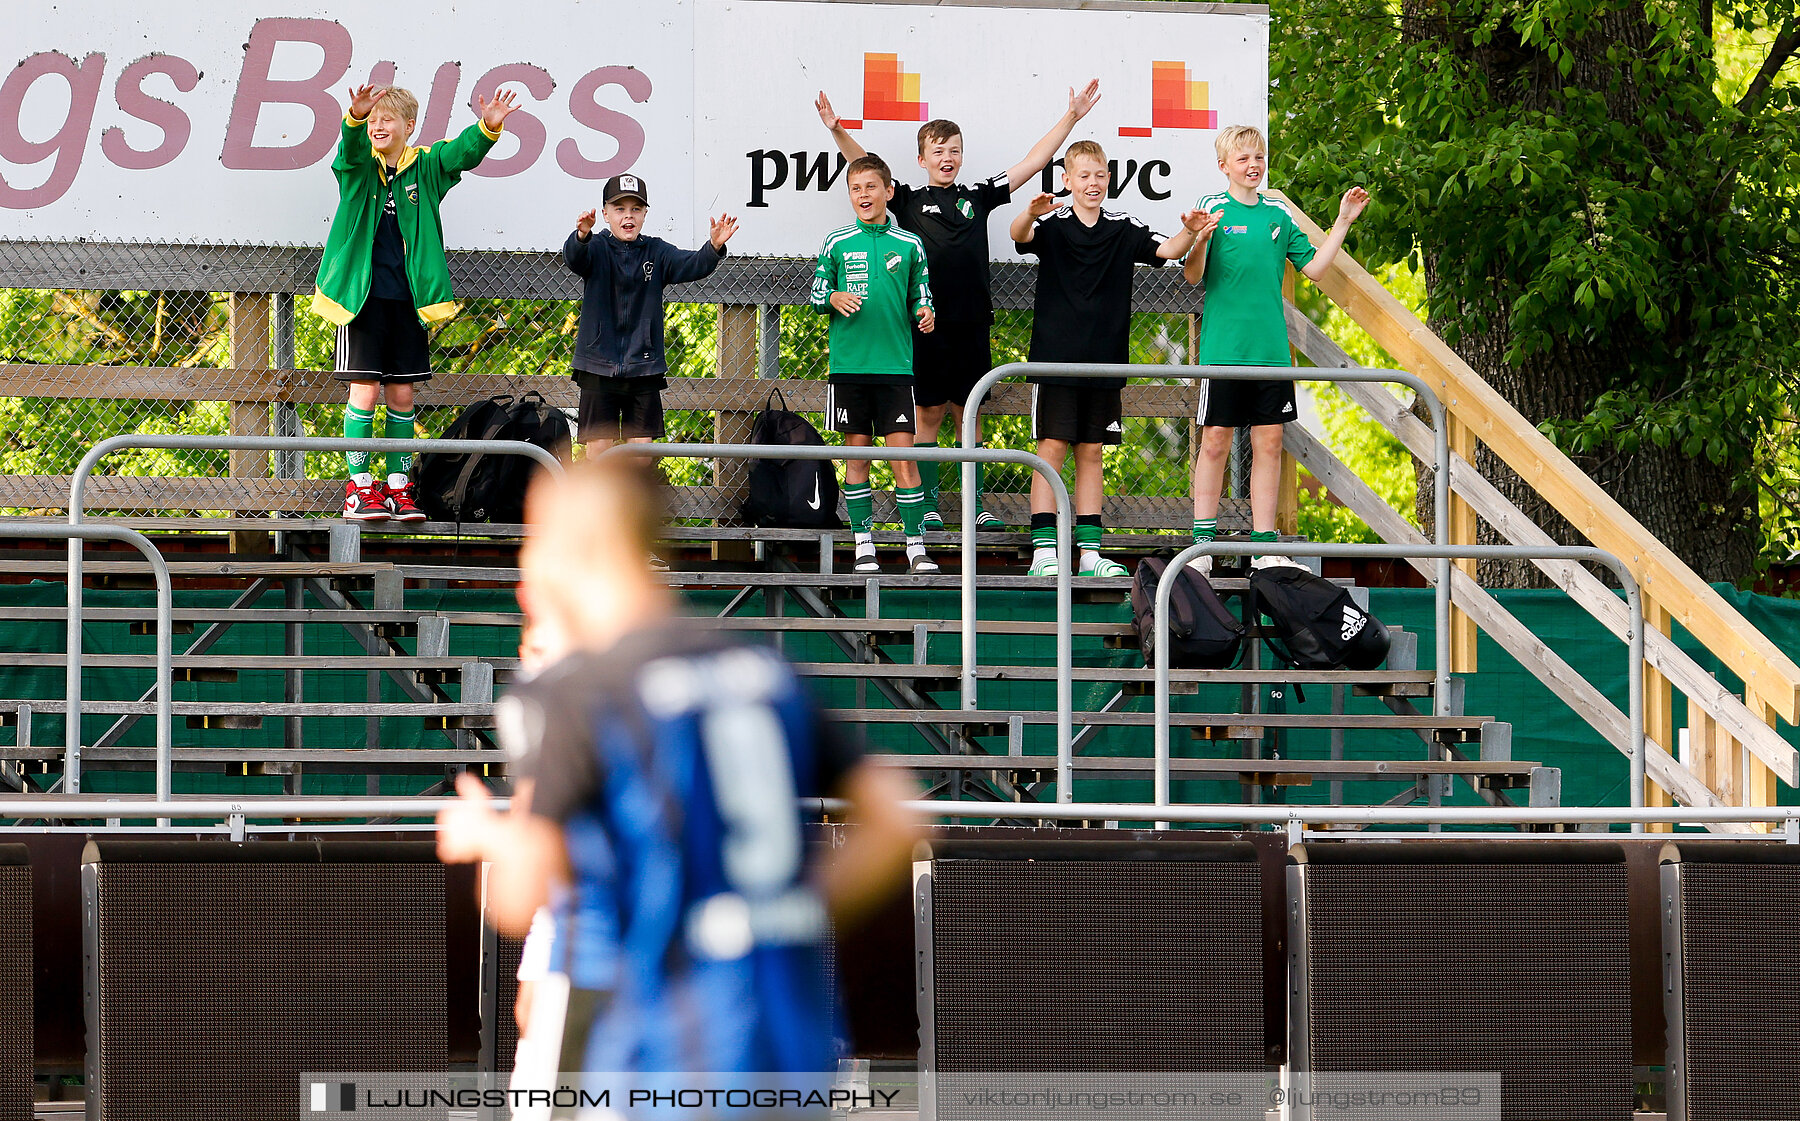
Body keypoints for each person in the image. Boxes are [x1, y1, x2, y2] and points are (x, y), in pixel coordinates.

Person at [437, 457, 916, 1088]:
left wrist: (484, 836)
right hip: (789, 1056)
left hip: (665, 1059)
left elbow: (523, 895)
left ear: (577, 545)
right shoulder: (764, 670)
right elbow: (898, 818)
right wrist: (787, 904)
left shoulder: (577, 693)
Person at [814, 81, 1102, 531]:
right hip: (925, 325)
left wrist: (1071, 118)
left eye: (954, 150)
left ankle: (975, 503)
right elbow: (864, 168)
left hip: (972, 322)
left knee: (971, 414)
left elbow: (1031, 163)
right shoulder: (906, 199)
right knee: (926, 413)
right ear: (921, 159)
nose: (947, 158)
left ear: (962, 156)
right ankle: (926, 504)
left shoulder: (979, 196)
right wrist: (836, 129)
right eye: (938, 151)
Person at [311, 82, 518, 521]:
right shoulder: (359, 168)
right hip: (360, 301)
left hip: (408, 302)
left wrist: (488, 128)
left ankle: (399, 489)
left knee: (402, 395)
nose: (379, 126)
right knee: (365, 392)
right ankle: (359, 489)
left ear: (409, 126)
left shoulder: (424, 167)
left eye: (388, 119)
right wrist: (354, 118)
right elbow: (346, 154)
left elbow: (458, 153)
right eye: (374, 119)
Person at [1009, 140, 1204, 577]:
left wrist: (1192, 230)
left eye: (1099, 175)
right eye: (1083, 176)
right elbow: (1019, 236)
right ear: (1067, 180)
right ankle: (1045, 552)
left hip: (1105, 363)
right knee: (1051, 449)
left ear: (1109, 178)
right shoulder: (1054, 223)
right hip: (1054, 362)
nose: (1092, 183)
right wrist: (1030, 212)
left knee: (1093, 451)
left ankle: (1090, 554)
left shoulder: (1122, 226)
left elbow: (1168, 252)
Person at [1184, 125, 1369, 572]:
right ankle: (1202, 547)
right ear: (1224, 165)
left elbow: (1316, 270)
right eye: (1243, 159)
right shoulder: (1211, 209)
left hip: (1270, 353)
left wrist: (1341, 221)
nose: (1253, 166)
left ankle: (1265, 546)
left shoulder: (1278, 214)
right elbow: (1192, 276)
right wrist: (1200, 239)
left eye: (1259, 157)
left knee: (1269, 444)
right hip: (1224, 351)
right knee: (1214, 443)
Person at [810, 154, 938, 573]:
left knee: (904, 458)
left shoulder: (910, 244)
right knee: (858, 456)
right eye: (856, 188)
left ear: (889, 191)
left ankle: (915, 546)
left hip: (896, 369)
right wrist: (832, 297)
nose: (864, 195)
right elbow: (814, 295)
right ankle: (863, 542)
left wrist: (925, 312)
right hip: (849, 369)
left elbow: (923, 294)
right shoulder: (836, 242)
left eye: (871, 187)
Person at [565, 174, 738, 457]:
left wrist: (714, 247)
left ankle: (632, 499)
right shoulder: (595, 247)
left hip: (643, 365)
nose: (628, 216)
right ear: (606, 214)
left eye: (636, 209)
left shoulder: (656, 251)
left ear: (645, 214)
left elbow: (693, 264)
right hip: (597, 364)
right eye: (620, 209)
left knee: (642, 452)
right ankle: (604, 500)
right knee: (599, 447)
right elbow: (574, 257)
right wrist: (582, 236)